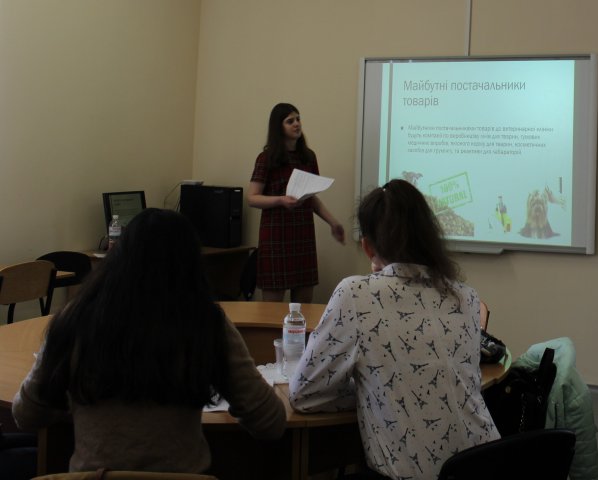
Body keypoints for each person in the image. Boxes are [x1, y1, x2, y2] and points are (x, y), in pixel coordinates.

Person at [12, 208, 286, 473]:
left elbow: (26, 414)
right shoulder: (207, 323)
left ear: (118, 257)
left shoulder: (76, 319)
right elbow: (270, 422)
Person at [289, 179, 500, 479]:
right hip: (488, 465)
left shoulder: (356, 295)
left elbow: (304, 393)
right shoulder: (466, 297)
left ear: (367, 246)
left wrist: (369, 387)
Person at [248, 102, 345, 304]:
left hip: (302, 235)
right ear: (278, 127)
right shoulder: (266, 158)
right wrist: (280, 200)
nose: (297, 124)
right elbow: (252, 197)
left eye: (298, 119)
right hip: (276, 236)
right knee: (271, 312)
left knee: (303, 309)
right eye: (290, 121)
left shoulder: (308, 157)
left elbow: (312, 198)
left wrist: (333, 222)